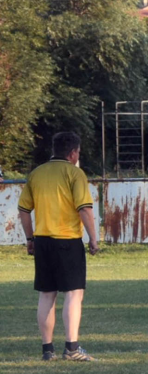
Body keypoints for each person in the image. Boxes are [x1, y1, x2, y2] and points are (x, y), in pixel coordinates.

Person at [17, 132, 100, 361]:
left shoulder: (37, 174)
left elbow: (24, 209)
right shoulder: (75, 173)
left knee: (46, 295)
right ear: (73, 153)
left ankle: (47, 350)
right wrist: (93, 238)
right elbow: (84, 208)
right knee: (73, 293)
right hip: (67, 241)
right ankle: (72, 349)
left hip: (43, 241)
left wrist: (30, 238)